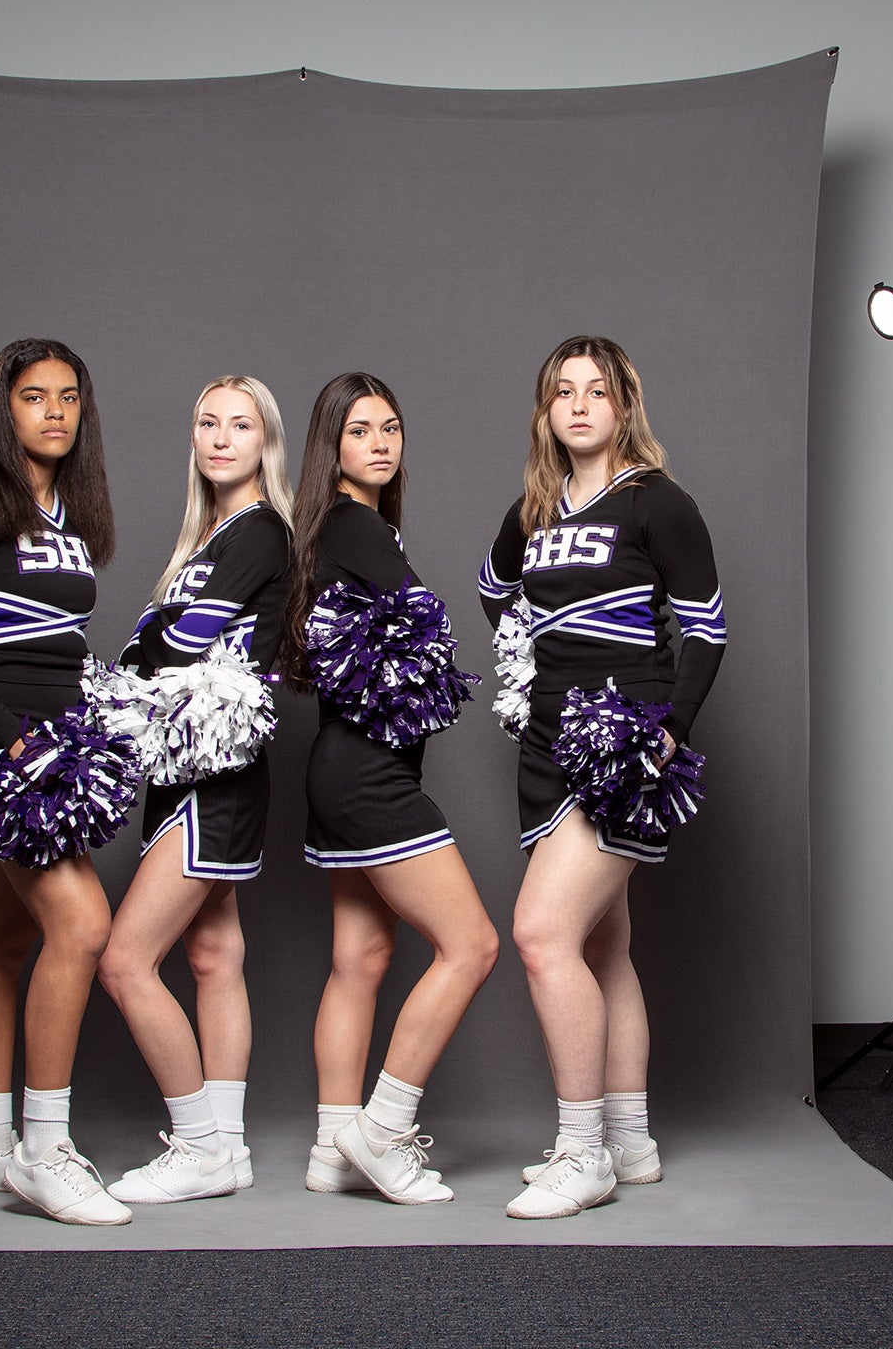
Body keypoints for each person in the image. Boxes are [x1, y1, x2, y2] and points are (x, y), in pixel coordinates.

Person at [479, 336, 726, 1219]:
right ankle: (629, 1137)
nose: (579, 406)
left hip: (622, 744)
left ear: (624, 405)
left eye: (596, 391)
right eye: (562, 392)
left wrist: (668, 731)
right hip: (545, 743)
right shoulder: (534, 509)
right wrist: (532, 664)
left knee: (542, 934)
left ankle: (582, 1153)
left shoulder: (659, 503)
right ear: (545, 410)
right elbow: (494, 590)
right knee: (602, 945)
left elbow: (706, 631)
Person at [0, 337, 129, 1226]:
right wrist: (14, 745)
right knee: (82, 925)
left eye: (69, 397)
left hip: (57, 747)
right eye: (35, 396)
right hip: (1, 751)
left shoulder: (69, 514)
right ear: (3, 408)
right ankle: (44, 1152)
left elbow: (56, 644)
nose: (54, 412)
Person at [286, 372, 501, 1205]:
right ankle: (379, 1132)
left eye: (390, 428)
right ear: (331, 445)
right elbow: (426, 625)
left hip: (339, 769)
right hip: (369, 778)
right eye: (359, 430)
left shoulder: (335, 527)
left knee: (360, 960)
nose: (379, 444)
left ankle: (331, 1149)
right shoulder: (356, 524)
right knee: (471, 946)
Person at [97, 376, 294, 1204]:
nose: (220, 438)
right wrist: (145, 657)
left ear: (265, 441)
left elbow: (176, 643)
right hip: (181, 767)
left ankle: (198, 1145)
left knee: (125, 962)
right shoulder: (208, 537)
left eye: (240, 425)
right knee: (214, 956)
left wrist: (128, 665)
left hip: (218, 774)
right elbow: (169, 643)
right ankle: (230, 1147)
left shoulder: (260, 531)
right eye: (208, 423)